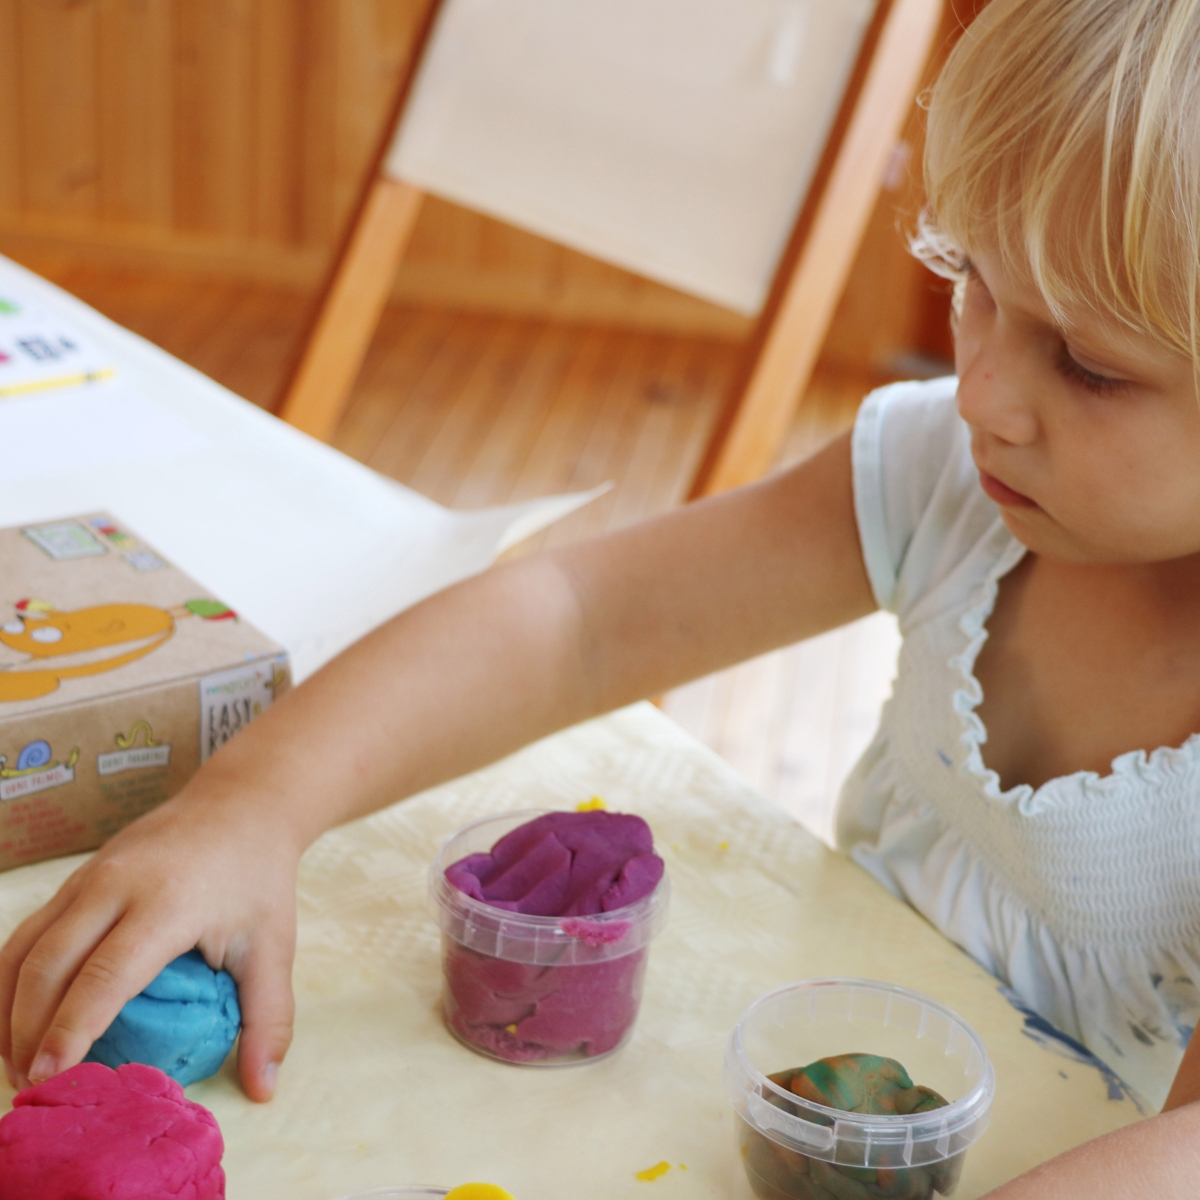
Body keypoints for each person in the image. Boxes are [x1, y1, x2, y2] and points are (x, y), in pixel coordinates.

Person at [5, 0, 1200, 1190]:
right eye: (970, 278)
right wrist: (253, 804)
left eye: (1091, 366)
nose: (982, 389)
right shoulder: (951, 476)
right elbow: (577, 622)